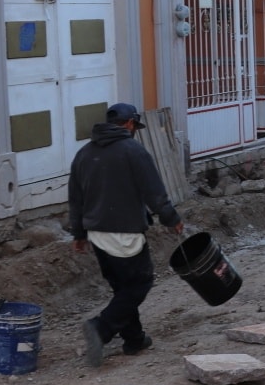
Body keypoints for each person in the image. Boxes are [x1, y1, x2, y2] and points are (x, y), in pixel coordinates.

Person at [68, 102, 184, 366]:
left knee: (122, 288)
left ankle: (134, 338)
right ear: (130, 124)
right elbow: (153, 191)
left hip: (97, 234)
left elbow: (75, 198)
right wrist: (171, 218)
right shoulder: (133, 151)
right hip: (125, 233)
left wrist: (79, 234)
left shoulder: (84, 154)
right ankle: (101, 327)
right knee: (140, 284)